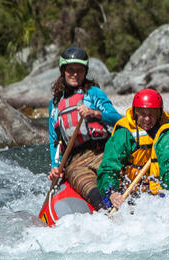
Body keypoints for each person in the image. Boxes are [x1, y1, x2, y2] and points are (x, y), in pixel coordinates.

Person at [46, 47, 121, 210]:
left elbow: (118, 120)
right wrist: (56, 166)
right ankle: (103, 209)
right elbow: (55, 140)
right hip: (76, 161)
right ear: (63, 71)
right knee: (84, 182)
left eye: (79, 71)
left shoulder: (94, 93)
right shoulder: (55, 104)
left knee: (108, 177)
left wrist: (95, 113)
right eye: (70, 70)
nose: (75, 74)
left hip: (102, 151)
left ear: (85, 72)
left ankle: (115, 197)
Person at [96, 88, 165, 210]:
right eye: (143, 114)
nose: (147, 119)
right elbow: (108, 167)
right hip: (127, 193)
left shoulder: (166, 130)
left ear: (159, 114)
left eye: (151, 114)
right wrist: (112, 193)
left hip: (155, 194)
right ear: (135, 113)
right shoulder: (124, 134)